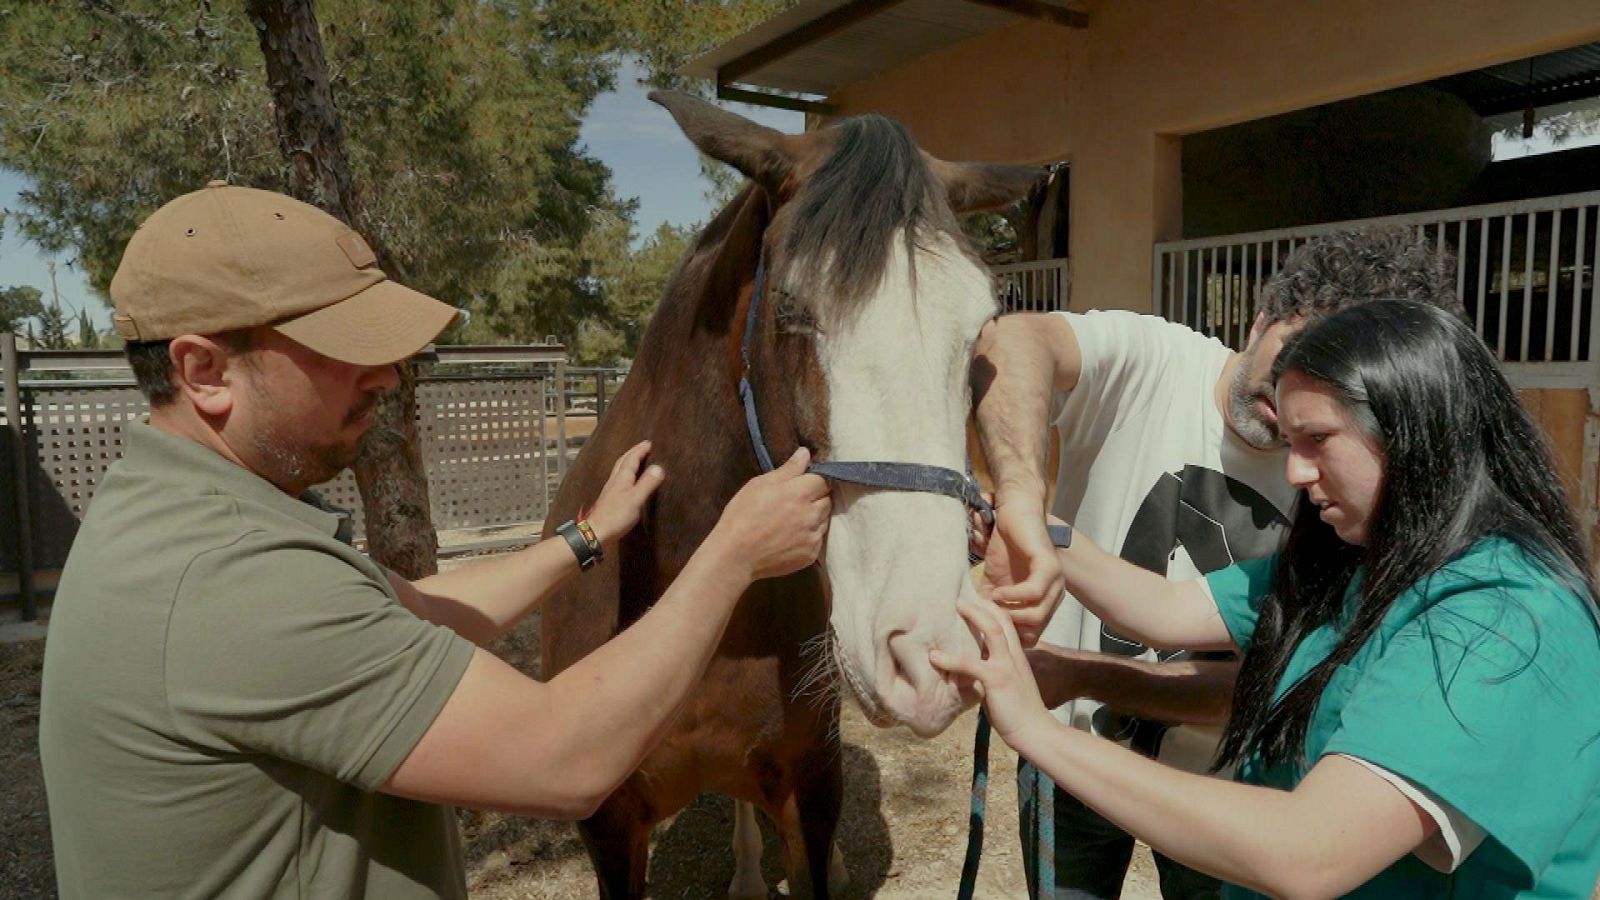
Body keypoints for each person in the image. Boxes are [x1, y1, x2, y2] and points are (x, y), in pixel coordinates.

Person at [37, 183, 832, 899]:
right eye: (343, 347)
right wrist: (733, 553)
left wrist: (586, 536)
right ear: (205, 370)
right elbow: (567, 762)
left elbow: (410, 609)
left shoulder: (174, 514)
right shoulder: (233, 582)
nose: (386, 375)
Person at [942, 299, 1600, 897]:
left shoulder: (1503, 619)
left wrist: (1035, 732)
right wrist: (1029, 524)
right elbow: (1166, 610)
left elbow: (1309, 853)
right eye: (1290, 441)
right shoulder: (1355, 564)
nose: (1295, 471)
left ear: (1413, 429)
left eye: (1318, 441)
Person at [970, 227, 1463, 898]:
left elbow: (1268, 693)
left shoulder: (1359, 501)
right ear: (1259, 319)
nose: (1295, 413)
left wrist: (1076, 677)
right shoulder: (1158, 361)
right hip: (1075, 744)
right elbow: (1013, 341)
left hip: (1227, 775)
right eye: (1294, 354)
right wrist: (1023, 505)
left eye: (1331, 400)